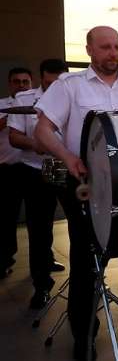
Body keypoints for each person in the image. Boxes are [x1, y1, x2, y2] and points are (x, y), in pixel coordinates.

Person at [34, 26, 118, 359]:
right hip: (86, 182)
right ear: (90, 50)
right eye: (106, 47)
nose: (113, 53)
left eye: (117, 47)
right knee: (86, 258)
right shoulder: (70, 86)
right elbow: (42, 130)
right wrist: (68, 157)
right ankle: (84, 334)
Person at [7, 59, 68, 308]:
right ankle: (41, 285)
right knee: (39, 228)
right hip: (35, 169)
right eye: (49, 82)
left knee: (78, 223)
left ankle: (89, 280)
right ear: (41, 78)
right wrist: (37, 144)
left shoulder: (72, 95)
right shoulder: (25, 99)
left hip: (63, 166)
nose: (54, 87)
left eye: (58, 83)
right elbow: (14, 137)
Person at [0, 67, 32, 279]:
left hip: (33, 168)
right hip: (8, 169)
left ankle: (45, 259)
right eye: (16, 82)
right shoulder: (2, 105)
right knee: (6, 218)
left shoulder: (38, 103)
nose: (21, 85)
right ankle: (4, 259)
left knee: (40, 218)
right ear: (10, 83)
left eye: (25, 82)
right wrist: (11, 117)